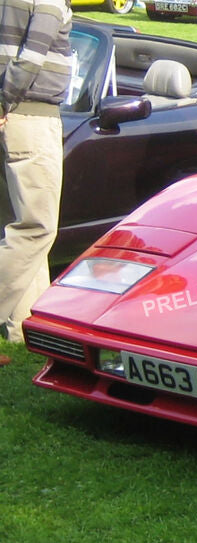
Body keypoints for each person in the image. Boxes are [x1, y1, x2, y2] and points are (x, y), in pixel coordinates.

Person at [0, 0, 74, 366]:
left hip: (14, 115)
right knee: (35, 228)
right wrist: (3, 103)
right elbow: (31, 57)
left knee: (16, 228)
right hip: (28, 114)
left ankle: (24, 329)